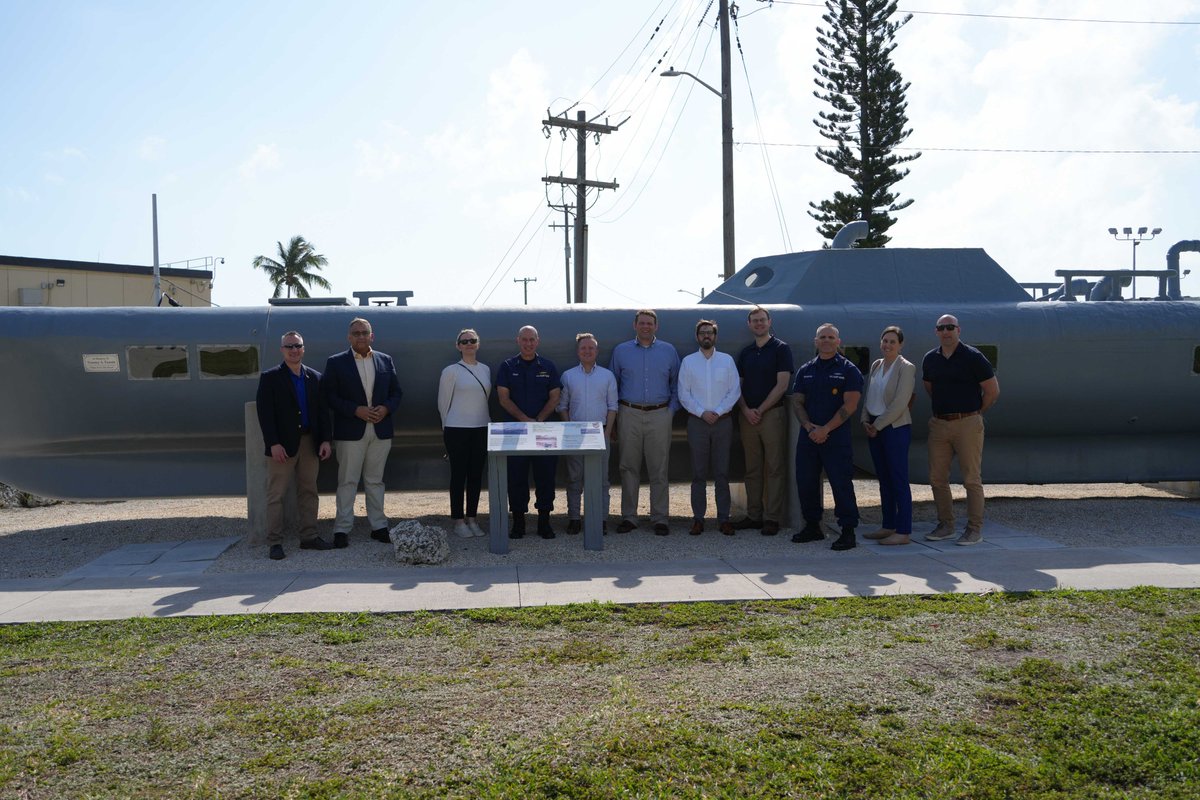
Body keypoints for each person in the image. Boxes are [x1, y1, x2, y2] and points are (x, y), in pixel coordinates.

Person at [322, 317, 403, 549]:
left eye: (364, 332)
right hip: (350, 430)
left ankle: (378, 527)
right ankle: (342, 529)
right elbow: (330, 396)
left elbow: (397, 392)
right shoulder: (336, 362)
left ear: (371, 336)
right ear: (349, 337)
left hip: (380, 430)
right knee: (347, 481)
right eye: (356, 333)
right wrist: (355, 410)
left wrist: (386, 408)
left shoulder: (385, 360)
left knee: (375, 481)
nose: (360, 336)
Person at [255, 330, 334, 560]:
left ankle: (309, 537)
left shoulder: (315, 377)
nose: (293, 350)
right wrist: (273, 444)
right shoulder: (270, 378)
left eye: (297, 346)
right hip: (282, 446)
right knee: (276, 494)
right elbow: (265, 414)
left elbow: (322, 413)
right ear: (282, 350)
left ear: (303, 348)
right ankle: (275, 542)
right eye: (289, 346)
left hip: (310, 443)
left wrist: (325, 440)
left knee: (309, 490)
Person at [922, 314, 1000, 545]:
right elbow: (930, 388)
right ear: (936, 331)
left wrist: (974, 413)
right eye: (941, 328)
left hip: (968, 423)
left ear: (958, 330)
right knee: (937, 478)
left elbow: (992, 391)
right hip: (939, 424)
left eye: (950, 327)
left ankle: (974, 529)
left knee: (971, 479)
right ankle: (946, 525)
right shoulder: (930, 359)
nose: (946, 331)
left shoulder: (973, 357)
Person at [790, 322, 863, 551]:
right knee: (806, 481)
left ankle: (848, 531)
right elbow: (797, 401)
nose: (827, 341)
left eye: (831, 337)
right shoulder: (806, 370)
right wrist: (808, 426)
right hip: (809, 437)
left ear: (838, 341)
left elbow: (850, 404)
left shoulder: (848, 370)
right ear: (816, 341)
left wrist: (825, 429)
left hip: (836, 438)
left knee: (841, 484)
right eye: (822, 337)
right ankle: (813, 526)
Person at [609, 309, 680, 535]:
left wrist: (670, 411)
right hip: (629, 412)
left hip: (660, 414)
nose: (646, 327)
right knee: (628, 466)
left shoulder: (669, 351)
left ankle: (660, 518)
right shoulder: (621, 351)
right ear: (635, 325)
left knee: (659, 468)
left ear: (656, 326)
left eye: (650, 323)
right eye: (642, 323)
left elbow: (677, 384)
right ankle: (629, 517)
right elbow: (613, 383)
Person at [496, 325, 561, 539]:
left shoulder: (548, 366)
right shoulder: (507, 366)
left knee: (546, 477)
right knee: (516, 477)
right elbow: (503, 398)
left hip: (544, 430)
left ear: (538, 341)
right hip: (516, 431)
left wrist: (539, 419)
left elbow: (555, 397)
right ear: (518, 341)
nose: (528, 343)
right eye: (524, 339)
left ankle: (544, 522)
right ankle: (519, 523)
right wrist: (525, 420)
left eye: (532, 339)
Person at [678, 320, 741, 535]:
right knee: (698, 473)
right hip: (697, 422)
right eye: (702, 333)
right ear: (697, 337)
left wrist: (719, 411)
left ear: (715, 336)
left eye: (710, 333)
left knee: (722, 472)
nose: (706, 336)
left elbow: (734, 391)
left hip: (723, 422)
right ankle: (698, 519)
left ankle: (724, 518)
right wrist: (702, 413)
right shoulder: (688, 362)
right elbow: (683, 393)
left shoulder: (726, 360)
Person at [735, 306, 795, 536]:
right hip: (747, 416)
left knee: (774, 468)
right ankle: (754, 515)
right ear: (749, 325)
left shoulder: (781, 349)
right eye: (754, 321)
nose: (759, 324)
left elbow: (782, 384)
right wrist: (745, 409)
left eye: (762, 320)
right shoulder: (746, 352)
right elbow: (737, 386)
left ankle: (772, 517)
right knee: (752, 468)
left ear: (769, 322)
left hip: (771, 415)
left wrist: (759, 409)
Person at [557, 333, 618, 534]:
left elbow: (612, 407)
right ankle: (574, 518)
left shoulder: (607, 376)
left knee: (601, 480)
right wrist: (568, 429)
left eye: (591, 348)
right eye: (584, 348)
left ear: (597, 351)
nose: (587, 351)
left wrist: (607, 433)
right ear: (578, 351)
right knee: (575, 478)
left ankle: (600, 520)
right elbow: (562, 406)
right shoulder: (568, 376)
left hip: (600, 433)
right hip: (575, 434)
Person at [860, 326, 916, 546]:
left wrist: (879, 425)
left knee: (899, 479)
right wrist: (865, 420)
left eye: (893, 341)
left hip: (895, 429)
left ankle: (903, 531)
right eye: (885, 341)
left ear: (900, 345)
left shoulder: (906, 368)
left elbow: (901, 403)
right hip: (874, 427)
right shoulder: (876, 365)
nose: (888, 345)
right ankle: (888, 525)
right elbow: (870, 396)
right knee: (883, 479)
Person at [437, 328, 491, 538]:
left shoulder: (485, 369)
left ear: (478, 344)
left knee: (476, 476)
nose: (469, 344)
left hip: (481, 428)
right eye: (465, 341)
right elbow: (443, 404)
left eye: (473, 340)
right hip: (456, 429)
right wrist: (446, 429)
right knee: (458, 476)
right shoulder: (451, 371)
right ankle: (458, 520)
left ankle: (473, 519)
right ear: (458, 346)